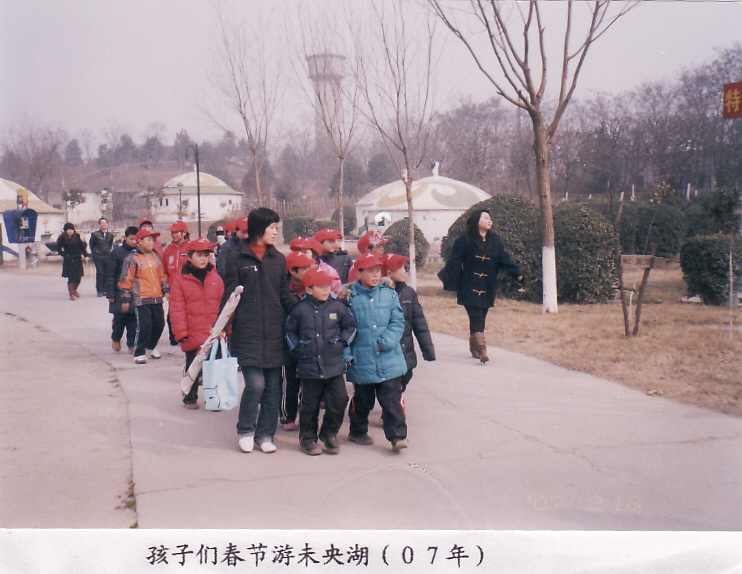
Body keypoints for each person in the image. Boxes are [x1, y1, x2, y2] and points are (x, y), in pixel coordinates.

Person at [221, 207, 299, 454]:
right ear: (259, 229)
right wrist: (222, 325)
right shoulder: (237, 258)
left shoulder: (279, 259)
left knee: (274, 388)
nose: (276, 232)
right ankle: (246, 430)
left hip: (275, 332)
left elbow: (283, 294)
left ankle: (266, 435)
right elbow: (230, 296)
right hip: (248, 332)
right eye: (272, 228)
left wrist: (303, 311)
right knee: (255, 384)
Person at [285, 267, 357, 456]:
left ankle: (329, 433)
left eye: (327, 286)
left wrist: (342, 342)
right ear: (309, 290)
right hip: (309, 367)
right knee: (310, 405)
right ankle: (308, 439)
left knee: (340, 400)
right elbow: (290, 331)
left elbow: (350, 326)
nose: (326, 290)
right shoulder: (300, 310)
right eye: (321, 287)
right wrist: (297, 349)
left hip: (334, 366)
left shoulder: (338, 307)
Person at [438, 209, 523, 364]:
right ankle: (483, 350)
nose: (489, 221)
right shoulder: (465, 239)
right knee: (476, 315)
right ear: (477, 220)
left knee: (480, 317)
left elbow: (504, 258)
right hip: (469, 285)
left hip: (487, 285)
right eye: (485, 218)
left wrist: (517, 274)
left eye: (490, 218)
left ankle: (474, 346)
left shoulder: (495, 240)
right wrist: (451, 280)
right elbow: (455, 261)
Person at [346, 253, 409, 451]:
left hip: (389, 359)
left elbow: (397, 322)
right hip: (362, 360)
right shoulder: (349, 298)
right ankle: (357, 432)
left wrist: (387, 341)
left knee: (392, 399)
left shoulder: (389, 294)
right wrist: (346, 354)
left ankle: (397, 436)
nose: (376, 275)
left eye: (378, 271)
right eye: (370, 271)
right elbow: (343, 330)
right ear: (359, 273)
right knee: (363, 400)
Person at [169, 238, 224, 409]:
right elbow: (176, 308)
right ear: (189, 257)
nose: (203, 259)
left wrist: (226, 328)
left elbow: (223, 305)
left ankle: (213, 398)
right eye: (199, 255)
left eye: (206, 255)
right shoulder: (180, 280)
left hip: (213, 332)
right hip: (192, 333)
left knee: (214, 367)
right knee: (193, 367)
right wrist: (180, 332)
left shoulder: (216, 278)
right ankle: (189, 396)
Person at [384, 253, 436, 393]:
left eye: (404, 268)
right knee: (390, 387)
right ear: (388, 273)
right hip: (388, 350)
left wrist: (427, 349)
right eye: (399, 268)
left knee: (406, 376)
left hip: (405, 350)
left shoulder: (408, 293)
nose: (404, 271)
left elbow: (420, 324)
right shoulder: (380, 294)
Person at [119, 228, 169, 364]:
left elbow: (161, 276)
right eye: (148, 240)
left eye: (153, 240)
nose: (152, 242)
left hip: (157, 298)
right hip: (142, 299)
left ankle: (151, 347)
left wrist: (166, 290)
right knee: (145, 326)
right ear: (139, 241)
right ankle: (139, 352)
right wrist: (125, 299)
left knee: (159, 324)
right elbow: (126, 280)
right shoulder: (132, 259)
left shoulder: (155, 257)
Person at [280, 250, 317, 431]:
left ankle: (307, 414)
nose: (309, 271)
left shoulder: (314, 288)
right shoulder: (283, 291)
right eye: (304, 268)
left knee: (309, 381)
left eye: (310, 267)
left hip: (310, 342)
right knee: (290, 382)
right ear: (292, 272)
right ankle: (288, 414)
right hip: (289, 344)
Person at [105, 226, 139, 353]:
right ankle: (116, 338)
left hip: (135, 291)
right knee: (120, 319)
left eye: (136, 239)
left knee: (134, 320)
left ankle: (131, 343)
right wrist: (110, 292)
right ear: (125, 238)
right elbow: (110, 273)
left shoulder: (140, 252)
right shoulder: (117, 253)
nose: (134, 242)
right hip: (119, 291)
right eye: (131, 239)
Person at [163, 220, 190, 352]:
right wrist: (166, 289)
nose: (173, 235)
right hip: (173, 290)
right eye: (172, 232)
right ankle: (173, 341)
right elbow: (164, 271)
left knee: (189, 315)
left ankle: (189, 340)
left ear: (184, 233)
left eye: (176, 232)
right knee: (172, 316)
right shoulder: (168, 250)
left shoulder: (190, 248)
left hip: (189, 289)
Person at [55, 222, 89, 300]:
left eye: (72, 230)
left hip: (77, 259)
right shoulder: (62, 238)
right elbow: (58, 248)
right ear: (65, 230)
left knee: (78, 277)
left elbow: (82, 247)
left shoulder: (77, 237)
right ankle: (71, 294)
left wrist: (86, 255)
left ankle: (74, 289)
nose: (70, 231)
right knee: (71, 277)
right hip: (68, 260)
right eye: (69, 230)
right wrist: (64, 255)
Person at [89, 217, 114, 297]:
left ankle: (105, 289)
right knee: (100, 273)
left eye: (105, 223)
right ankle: (99, 290)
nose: (103, 224)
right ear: (99, 224)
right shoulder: (95, 234)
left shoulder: (110, 235)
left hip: (107, 256)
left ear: (107, 224)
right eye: (101, 223)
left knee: (107, 273)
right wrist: (94, 253)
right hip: (98, 257)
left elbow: (110, 245)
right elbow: (91, 245)